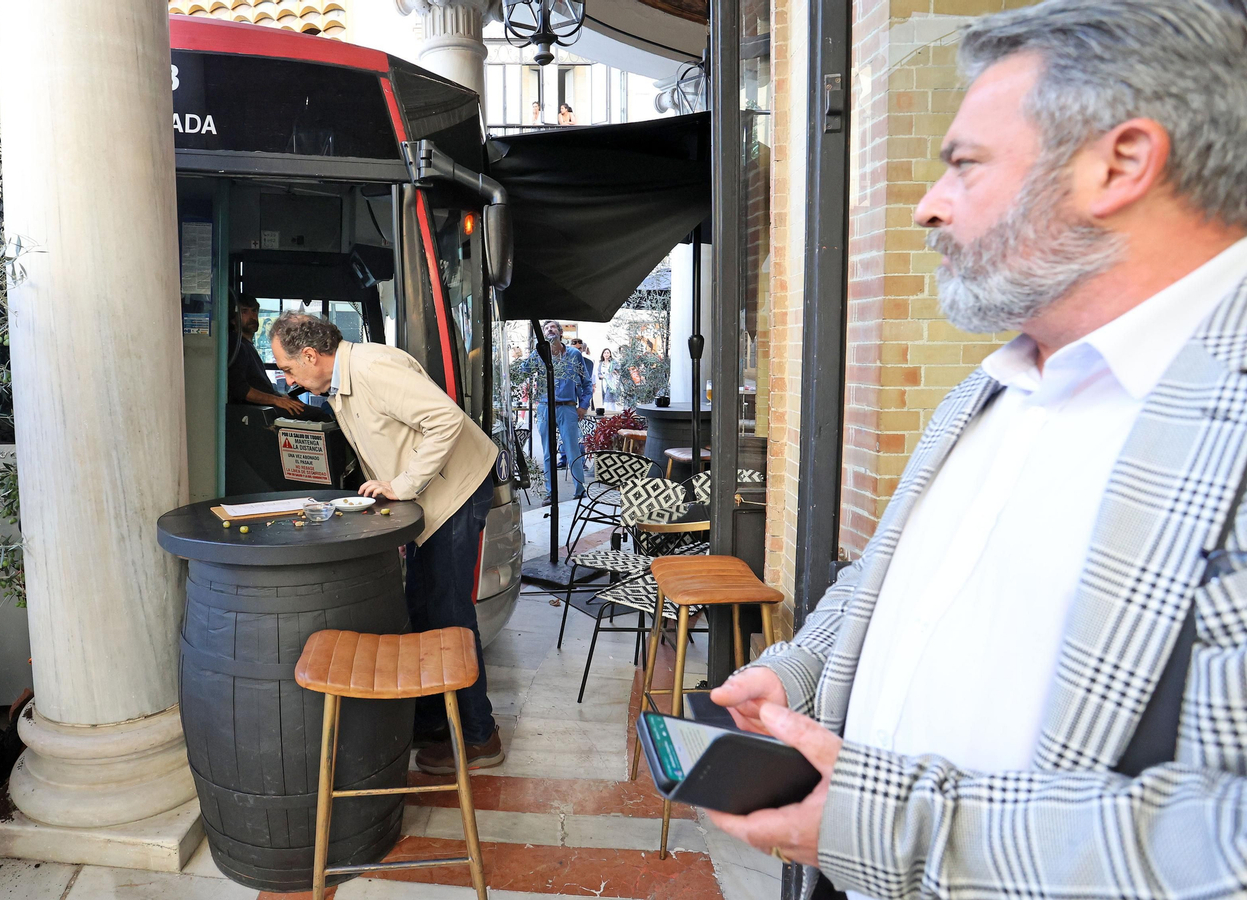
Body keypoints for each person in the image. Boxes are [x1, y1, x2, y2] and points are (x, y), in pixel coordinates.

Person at [706, 3, 1247, 899]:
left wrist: (882, 825)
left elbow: (1226, 842)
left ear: (1120, 163)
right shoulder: (993, 383)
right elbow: (884, 584)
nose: (928, 204)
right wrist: (792, 670)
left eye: (964, 164)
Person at [267, 313, 505, 773]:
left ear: (312, 356)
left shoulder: (373, 369)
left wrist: (404, 484)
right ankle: (437, 718)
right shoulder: (339, 383)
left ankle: (480, 736)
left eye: (289, 368)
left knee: (450, 613)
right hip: (432, 497)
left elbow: (445, 420)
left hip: (455, 490)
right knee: (421, 605)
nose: (287, 378)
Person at [519, 322, 589, 498]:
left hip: (568, 408)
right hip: (545, 407)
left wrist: (583, 406)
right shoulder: (540, 354)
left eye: (553, 327)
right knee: (548, 452)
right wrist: (535, 353)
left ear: (560, 332)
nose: (550, 330)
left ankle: (580, 491)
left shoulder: (574, 354)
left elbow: (586, 382)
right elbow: (523, 371)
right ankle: (551, 493)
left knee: (573, 450)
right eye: (546, 328)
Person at [226, 295, 306, 415]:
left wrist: (280, 397)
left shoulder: (247, 345)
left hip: (268, 406)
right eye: (244, 312)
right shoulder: (237, 346)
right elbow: (241, 390)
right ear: (233, 319)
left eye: (254, 311)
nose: (252, 317)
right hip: (256, 412)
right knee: (321, 416)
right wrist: (276, 400)